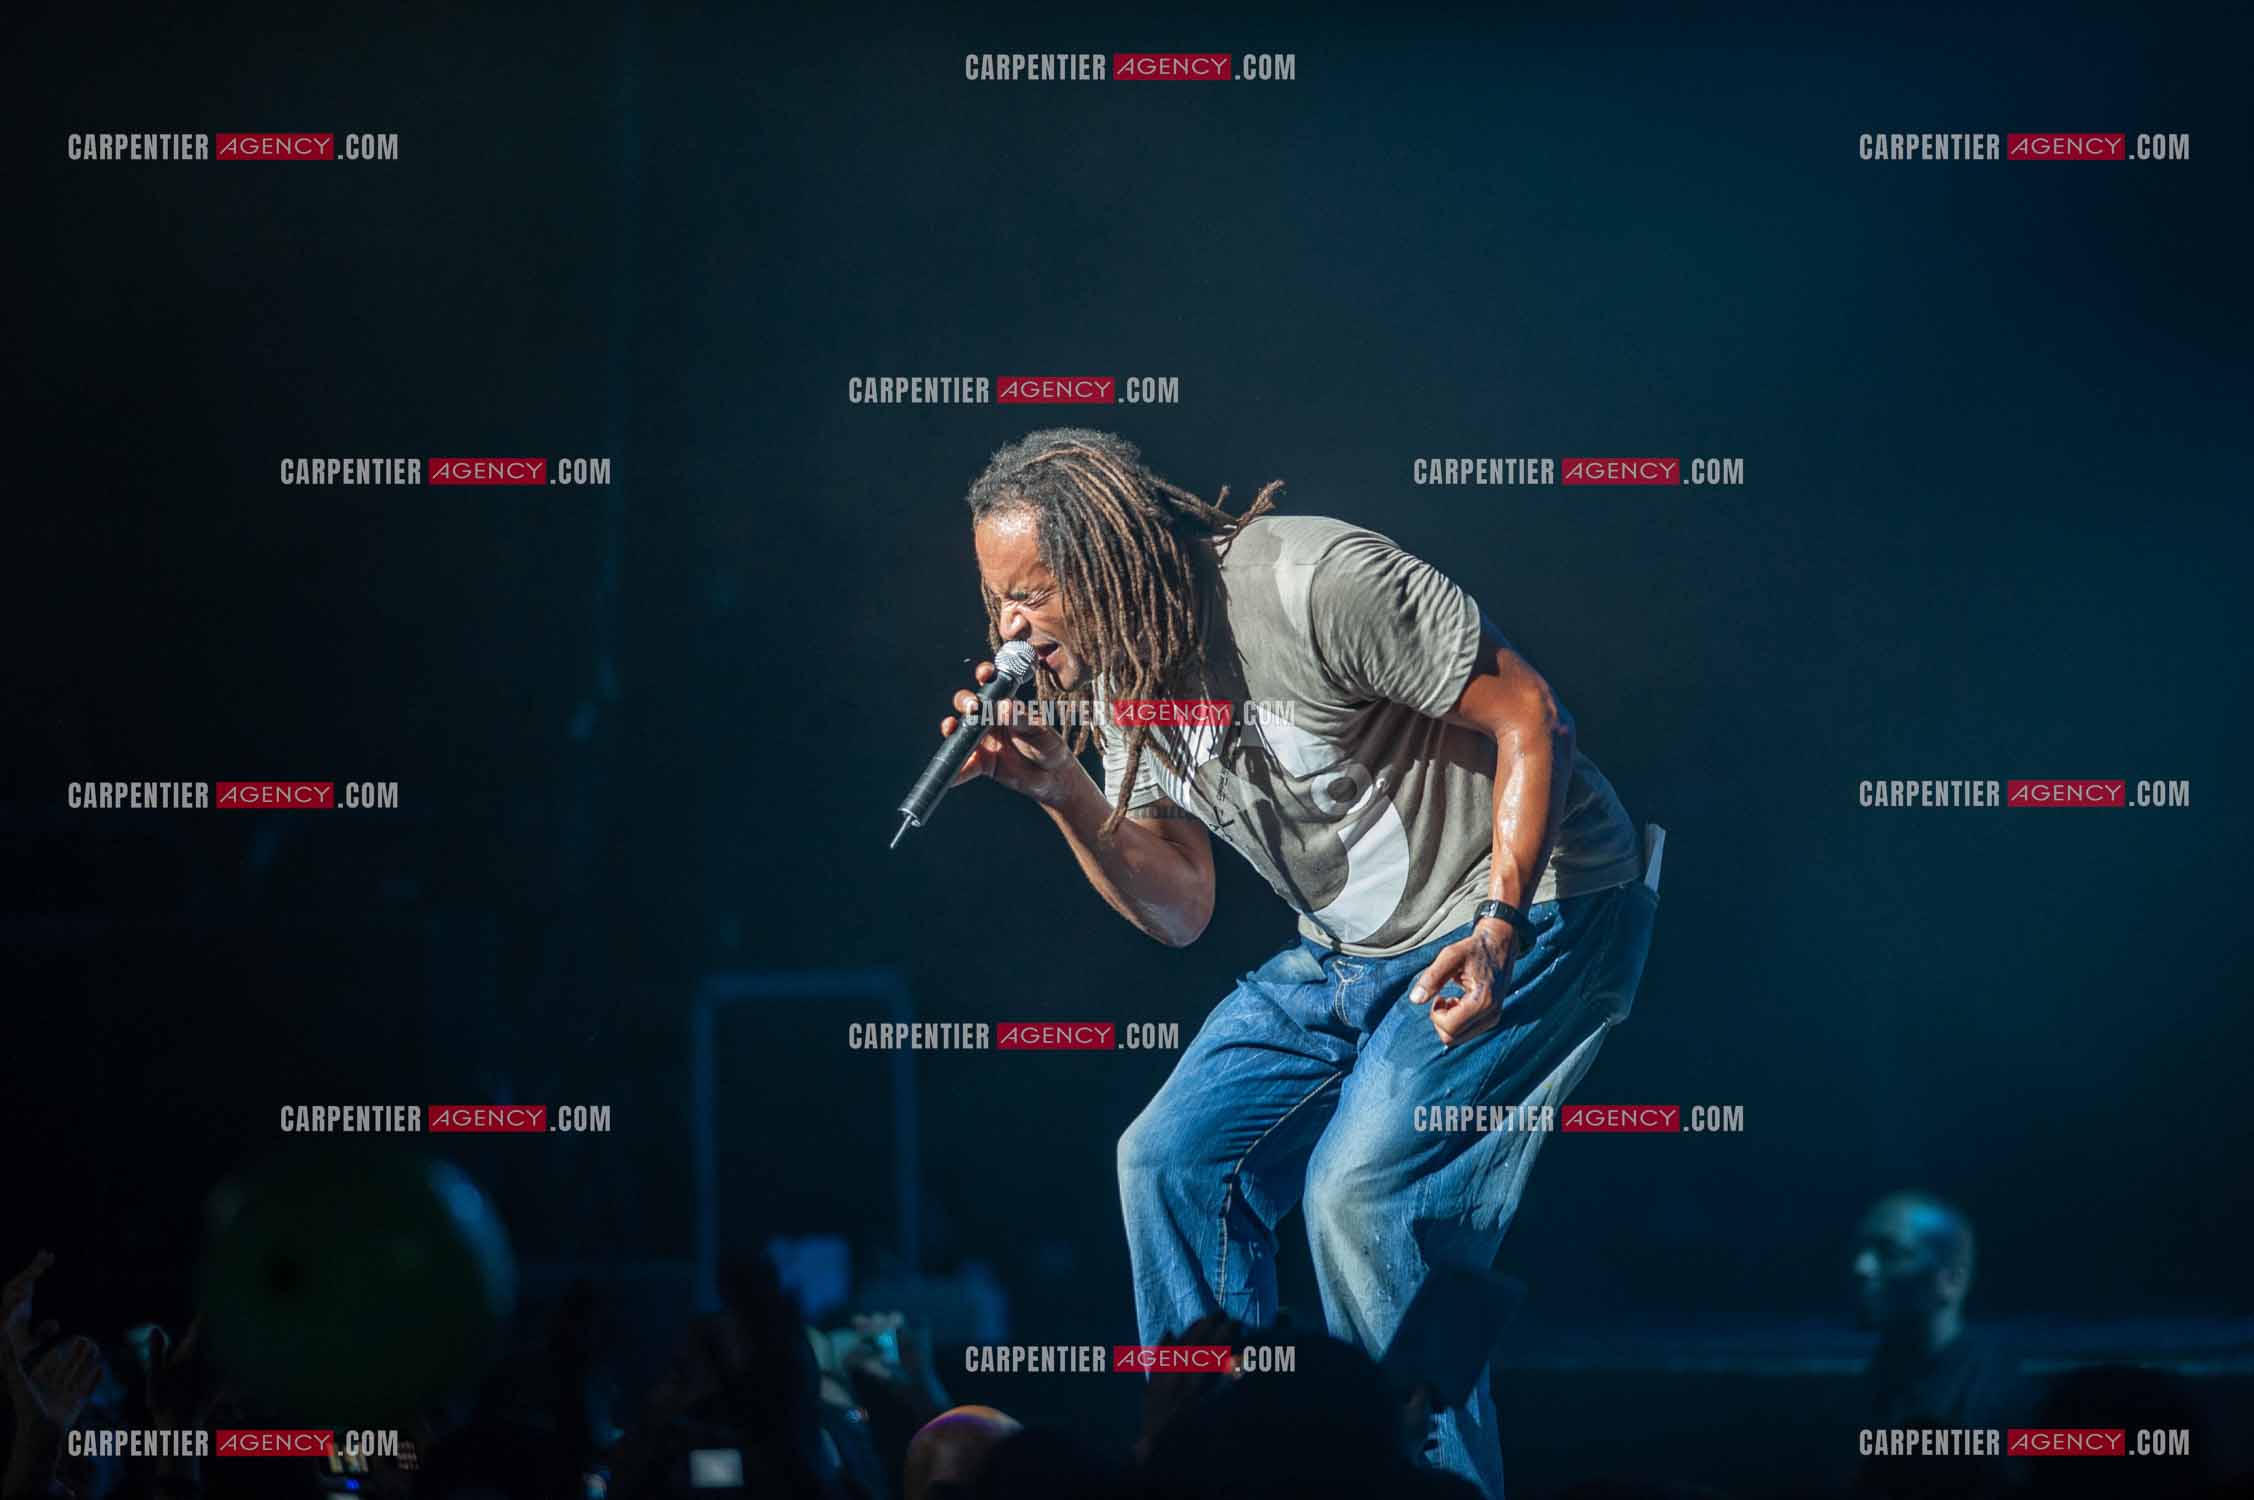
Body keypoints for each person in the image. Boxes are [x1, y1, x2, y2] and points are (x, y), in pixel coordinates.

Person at [938, 429, 1660, 1497]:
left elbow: (1529, 712)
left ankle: (1418, 1482)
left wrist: (1500, 921)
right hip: (1348, 948)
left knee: (1359, 1196)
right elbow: (1181, 906)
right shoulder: (1110, 677)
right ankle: (1213, 1464)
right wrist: (1065, 796)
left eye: (1032, 593)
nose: (1010, 626)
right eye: (997, 598)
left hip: (1546, 900)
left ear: (1111, 557)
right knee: (1166, 1159)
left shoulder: (1309, 580)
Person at [1849, 1192, 2028, 1498]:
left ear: (1951, 1279)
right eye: (1862, 1249)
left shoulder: (1996, 1396)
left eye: (1889, 1251)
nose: (1861, 1267)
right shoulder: (1878, 1379)